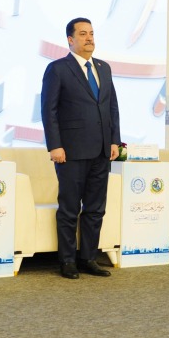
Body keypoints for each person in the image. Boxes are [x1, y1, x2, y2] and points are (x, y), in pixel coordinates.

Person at [41, 17, 121, 279]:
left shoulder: (104, 68)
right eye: (83, 34)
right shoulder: (58, 69)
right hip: (71, 152)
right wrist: (55, 145)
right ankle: (67, 261)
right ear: (70, 40)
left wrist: (114, 140)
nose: (89, 38)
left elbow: (111, 108)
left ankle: (88, 257)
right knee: (69, 208)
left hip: (101, 151)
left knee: (96, 208)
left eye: (92, 33)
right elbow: (49, 110)